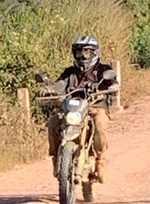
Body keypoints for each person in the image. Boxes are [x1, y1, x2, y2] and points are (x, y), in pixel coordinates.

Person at [37, 35, 118, 184]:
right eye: (79, 52)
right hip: (73, 107)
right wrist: (49, 89)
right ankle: (57, 158)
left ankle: (100, 160)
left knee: (99, 123)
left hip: (96, 106)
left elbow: (113, 83)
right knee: (54, 121)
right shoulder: (70, 72)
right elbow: (60, 84)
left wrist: (110, 88)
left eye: (87, 52)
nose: (83, 56)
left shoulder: (103, 69)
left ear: (94, 53)